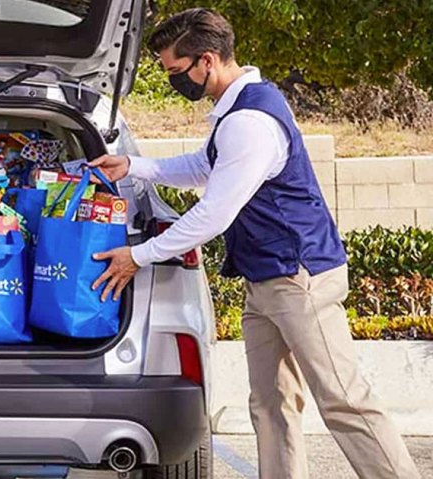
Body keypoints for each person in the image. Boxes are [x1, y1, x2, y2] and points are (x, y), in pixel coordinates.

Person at [89, 8, 419, 479]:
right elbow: (204, 166)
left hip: (297, 278)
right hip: (265, 280)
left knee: (343, 399)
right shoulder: (235, 109)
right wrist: (135, 167)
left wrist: (138, 256)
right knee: (270, 403)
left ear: (207, 60)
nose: (172, 82)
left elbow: (214, 213)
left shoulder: (250, 122)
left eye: (175, 72)